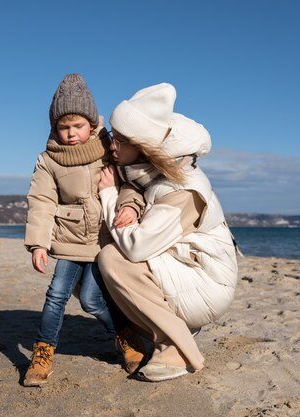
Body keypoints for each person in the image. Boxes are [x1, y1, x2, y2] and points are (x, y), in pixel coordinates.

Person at [97, 83, 238, 382]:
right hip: (184, 267)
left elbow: (136, 247)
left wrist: (109, 195)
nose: (112, 146)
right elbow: (133, 190)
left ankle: (174, 348)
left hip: (207, 283)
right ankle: (170, 327)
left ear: (144, 147)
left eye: (121, 140)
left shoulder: (184, 188)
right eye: (113, 136)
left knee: (114, 258)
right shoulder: (148, 172)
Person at [23, 74, 146, 387]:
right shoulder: (49, 160)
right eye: (63, 127)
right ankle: (43, 351)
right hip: (69, 240)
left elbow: (132, 182)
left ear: (92, 123)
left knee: (92, 300)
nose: (71, 133)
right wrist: (38, 244)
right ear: (54, 127)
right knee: (55, 296)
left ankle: (125, 336)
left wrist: (131, 206)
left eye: (77, 126)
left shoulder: (110, 148)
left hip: (106, 240)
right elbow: (41, 202)